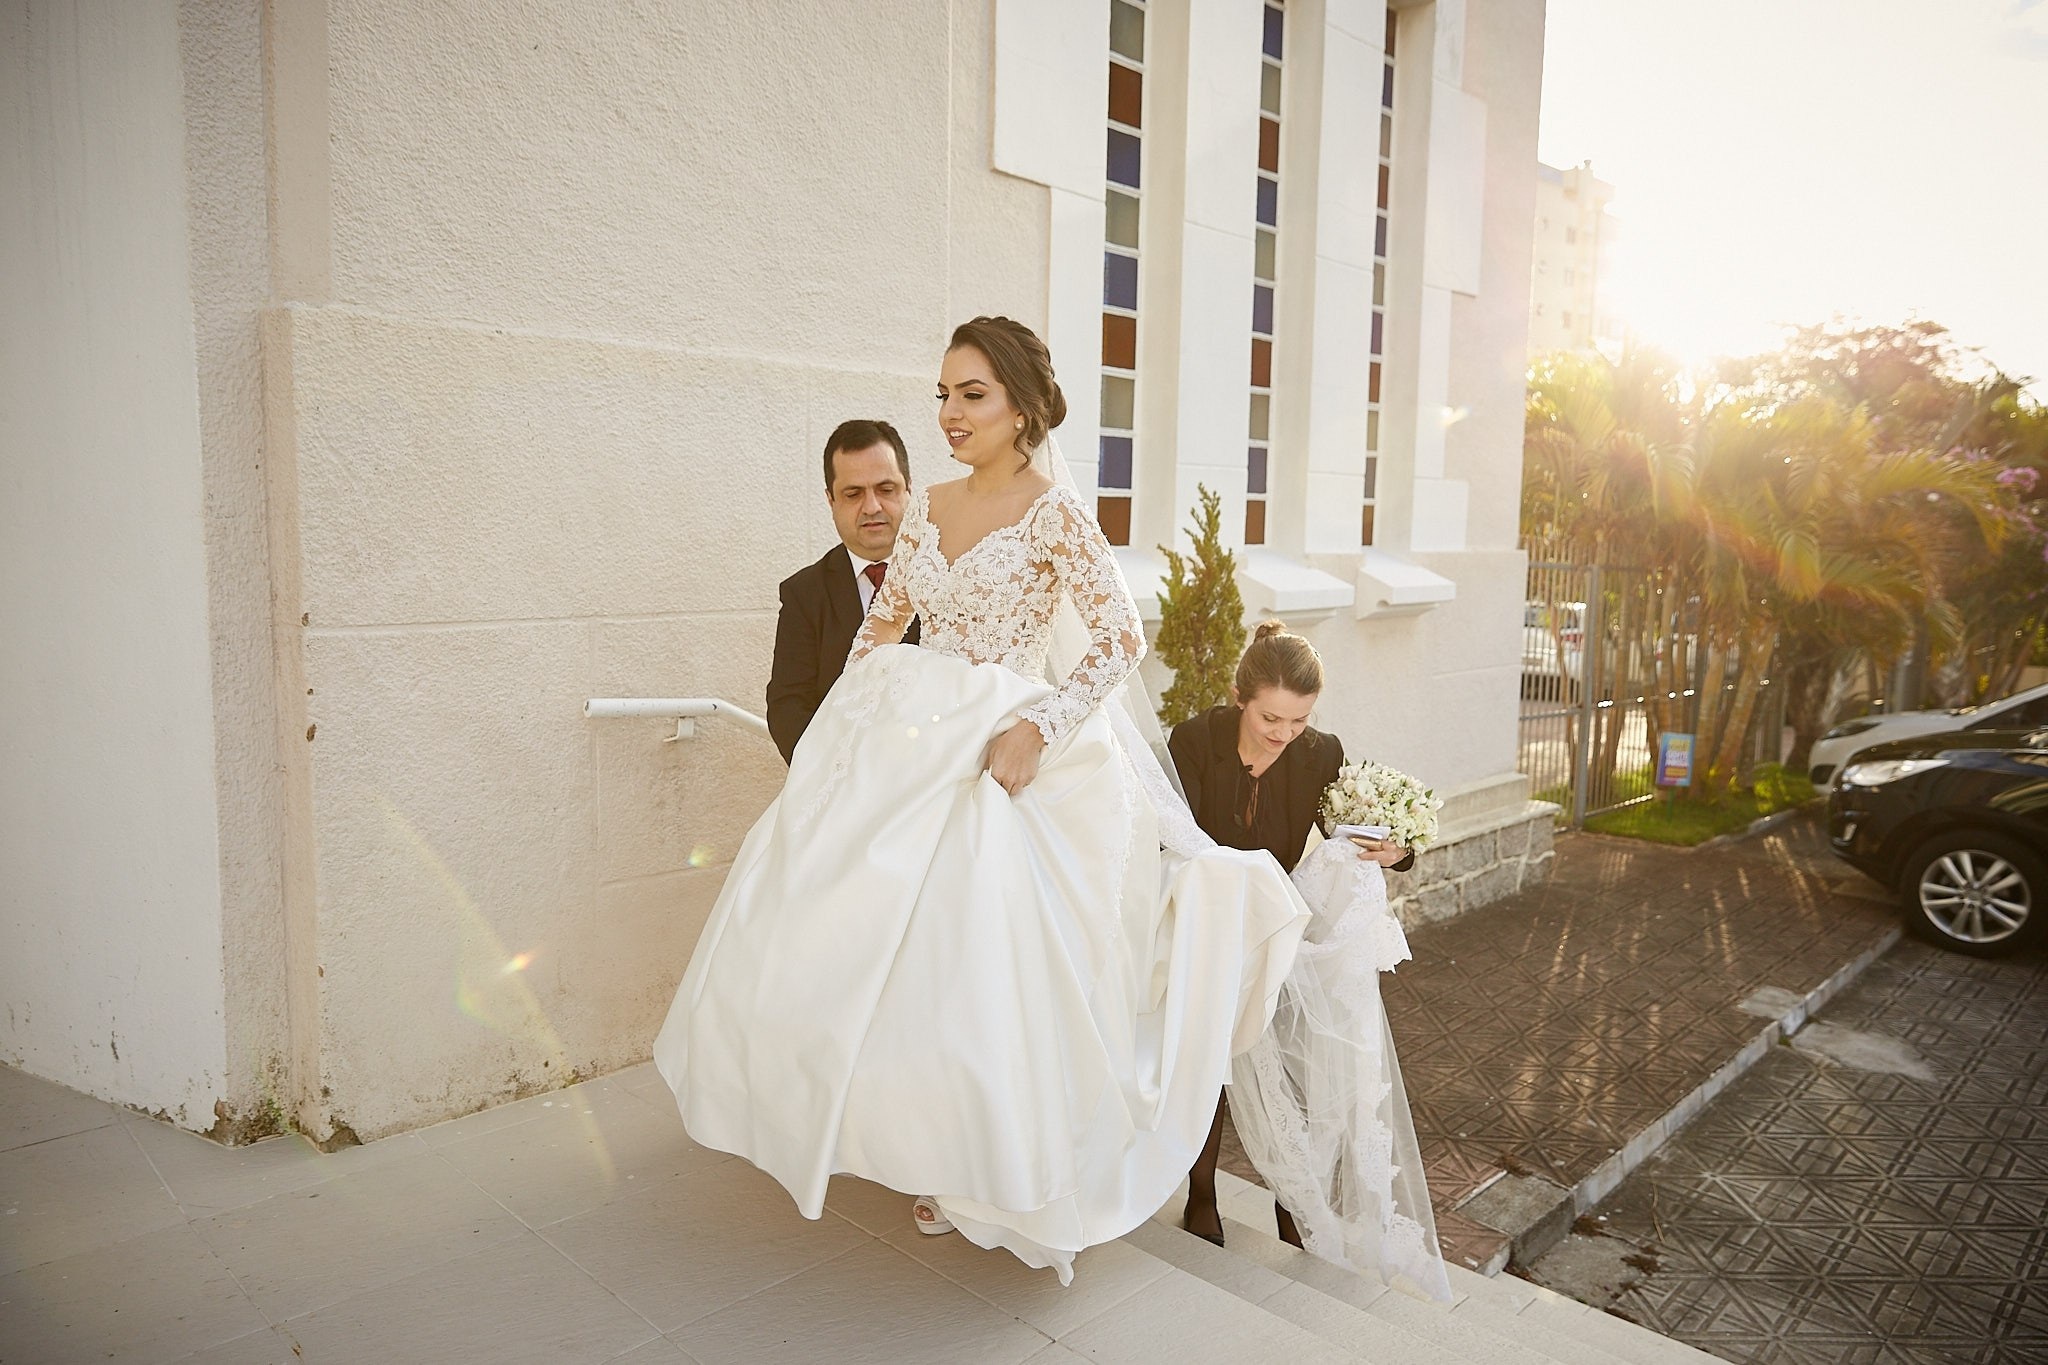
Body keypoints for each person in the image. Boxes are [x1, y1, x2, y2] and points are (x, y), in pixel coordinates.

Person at [653, 316, 1309, 1285]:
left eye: (970, 395)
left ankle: (973, 1163)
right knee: (874, 943)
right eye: (943, 395)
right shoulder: (928, 507)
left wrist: (1038, 728)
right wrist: (846, 743)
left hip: (1008, 746)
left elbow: (1119, 640)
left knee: (980, 965)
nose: (949, 413)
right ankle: (878, 1129)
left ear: (1019, 406)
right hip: (915, 739)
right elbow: (882, 630)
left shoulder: (1052, 514)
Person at [1169, 623, 1450, 1298]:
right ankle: (1200, 1193)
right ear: (1239, 697)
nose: (1283, 732)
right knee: (1208, 1063)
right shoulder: (1193, 741)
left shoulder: (1321, 753)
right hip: (1202, 918)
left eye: (1298, 719)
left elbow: (1344, 832)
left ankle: (1292, 1198)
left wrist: (1395, 849)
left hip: (1277, 924)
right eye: (1270, 717)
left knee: (1293, 1070)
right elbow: (1167, 834)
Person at [765, 419, 920, 764]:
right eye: (853, 494)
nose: (872, 507)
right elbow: (788, 705)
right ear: (830, 500)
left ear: (909, 489)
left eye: (886, 489)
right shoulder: (803, 594)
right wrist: (835, 775)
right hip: (840, 786)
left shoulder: (949, 577)